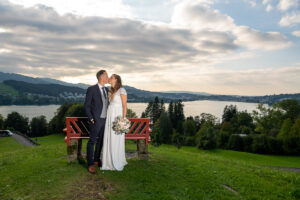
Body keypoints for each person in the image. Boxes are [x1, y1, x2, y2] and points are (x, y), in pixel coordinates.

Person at [84, 70, 109, 174]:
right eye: (107, 75)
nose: (108, 77)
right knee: (92, 141)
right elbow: (86, 106)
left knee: (101, 141)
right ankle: (90, 164)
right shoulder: (92, 89)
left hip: (105, 120)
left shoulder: (107, 90)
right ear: (101, 77)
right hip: (96, 120)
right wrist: (91, 119)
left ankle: (96, 160)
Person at [101, 74, 128, 171]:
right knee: (110, 137)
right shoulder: (110, 91)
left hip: (117, 116)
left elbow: (124, 106)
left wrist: (123, 121)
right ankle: (108, 161)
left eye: (111, 77)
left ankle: (117, 160)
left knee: (116, 138)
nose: (109, 78)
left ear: (116, 80)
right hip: (110, 115)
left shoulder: (122, 90)